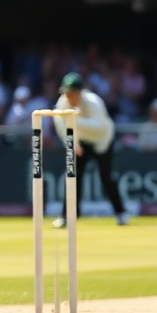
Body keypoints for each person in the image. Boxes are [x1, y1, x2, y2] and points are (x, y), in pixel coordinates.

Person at [52, 73, 129, 227]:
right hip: (80, 142)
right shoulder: (62, 103)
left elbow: (99, 127)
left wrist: (75, 119)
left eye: (72, 92)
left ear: (80, 91)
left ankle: (121, 212)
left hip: (103, 141)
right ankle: (68, 216)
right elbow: (60, 124)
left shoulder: (93, 102)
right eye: (66, 92)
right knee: (72, 176)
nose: (68, 96)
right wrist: (71, 142)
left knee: (106, 177)